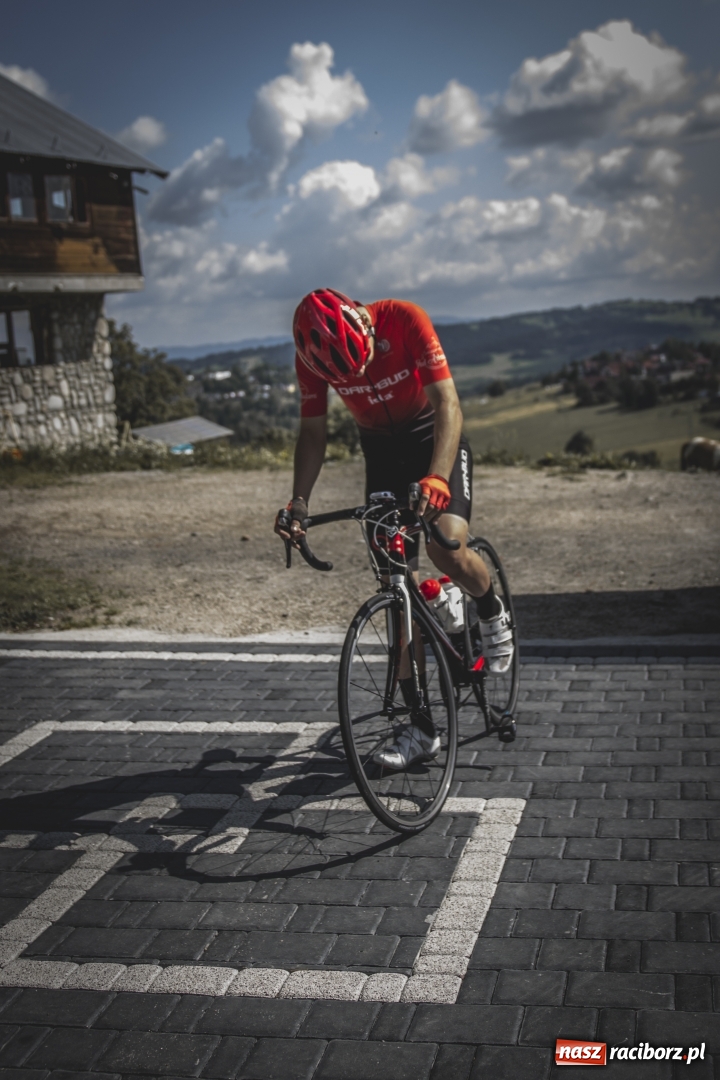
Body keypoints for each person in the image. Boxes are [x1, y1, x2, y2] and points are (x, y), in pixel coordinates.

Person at [275, 288, 513, 769]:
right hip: (381, 454)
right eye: (344, 378)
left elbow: (448, 403)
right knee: (395, 588)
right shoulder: (310, 361)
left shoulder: (405, 319)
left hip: (433, 438)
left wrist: (437, 477)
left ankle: (490, 608)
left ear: (364, 326)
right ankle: (421, 728)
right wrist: (298, 503)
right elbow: (313, 433)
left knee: (447, 548)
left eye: (361, 362)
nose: (356, 378)